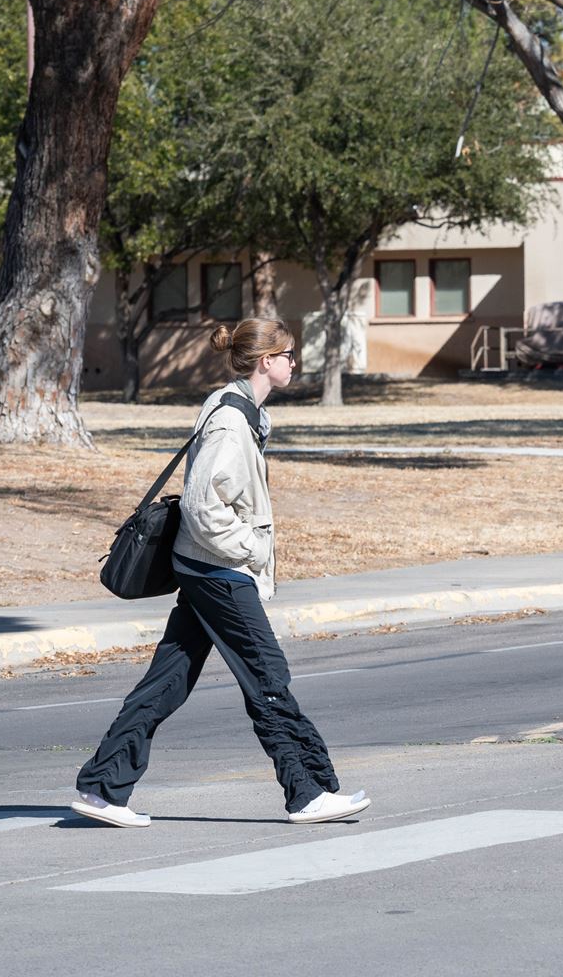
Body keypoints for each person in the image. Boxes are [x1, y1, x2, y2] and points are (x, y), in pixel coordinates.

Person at [71, 318, 369, 828]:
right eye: (289, 354)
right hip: (220, 572)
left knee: (167, 680)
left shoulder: (236, 409)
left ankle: (103, 788)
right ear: (265, 361)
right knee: (267, 678)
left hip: (203, 568)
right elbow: (203, 504)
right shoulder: (232, 423)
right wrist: (250, 548)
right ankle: (307, 792)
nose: (295, 362)